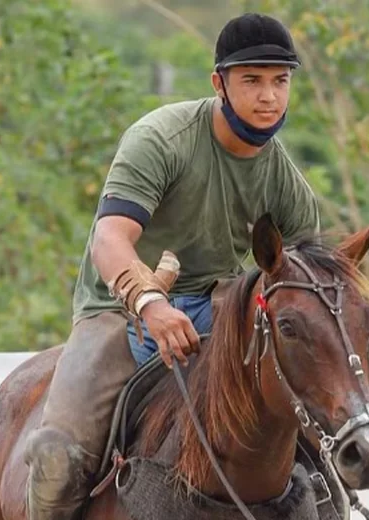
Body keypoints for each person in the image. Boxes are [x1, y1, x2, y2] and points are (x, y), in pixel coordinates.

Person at [24, 12, 321, 520]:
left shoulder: (286, 184)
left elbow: (306, 287)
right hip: (119, 312)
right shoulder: (161, 139)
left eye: (280, 80)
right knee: (58, 455)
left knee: (320, 446)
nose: (269, 96)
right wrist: (149, 303)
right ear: (218, 84)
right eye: (252, 80)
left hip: (219, 309)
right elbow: (110, 238)